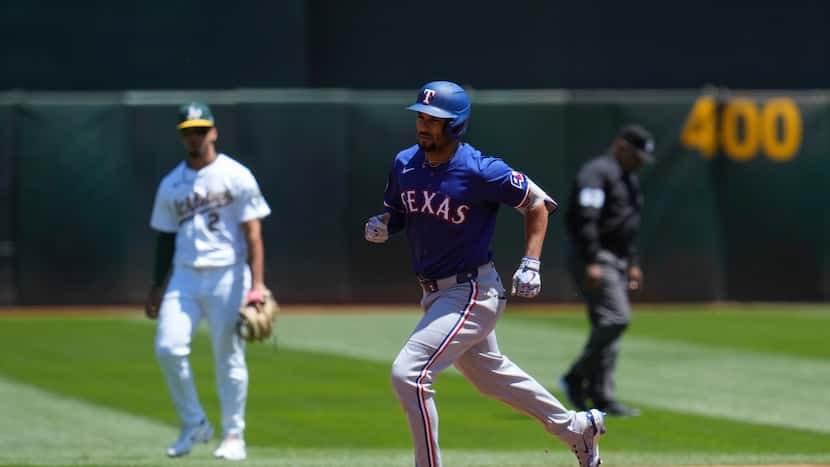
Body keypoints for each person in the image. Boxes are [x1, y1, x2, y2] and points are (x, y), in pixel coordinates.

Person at [364, 81, 605, 467]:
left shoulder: (480, 169)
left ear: (455, 125)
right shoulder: (405, 163)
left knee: (408, 375)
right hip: (434, 294)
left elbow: (538, 205)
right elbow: (399, 211)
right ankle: (577, 428)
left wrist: (531, 262)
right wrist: (385, 223)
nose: (424, 125)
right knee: (489, 377)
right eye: (421, 117)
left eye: (435, 119)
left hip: (472, 291)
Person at [144, 102, 272, 460]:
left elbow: (254, 234)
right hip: (184, 277)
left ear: (213, 131)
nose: (194, 136)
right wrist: (157, 286)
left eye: (200, 129)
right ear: (181, 136)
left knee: (228, 357)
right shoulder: (171, 183)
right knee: (168, 348)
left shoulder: (236, 175)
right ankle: (195, 422)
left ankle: (234, 434)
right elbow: (165, 238)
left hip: (228, 275)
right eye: (188, 131)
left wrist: (257, 286)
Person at [560, 124, 655, 417]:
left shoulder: (628, 179)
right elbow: (585, 219)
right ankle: (576, 377)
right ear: (621, 146)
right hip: (596, 257)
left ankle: (601, 395)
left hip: (617, 258)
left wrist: (633, 262)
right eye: (636, 155)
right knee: (617, 318)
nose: (640, 162)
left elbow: (627, 227)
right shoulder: (597, 173)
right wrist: (591, 260)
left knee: (606, 324)